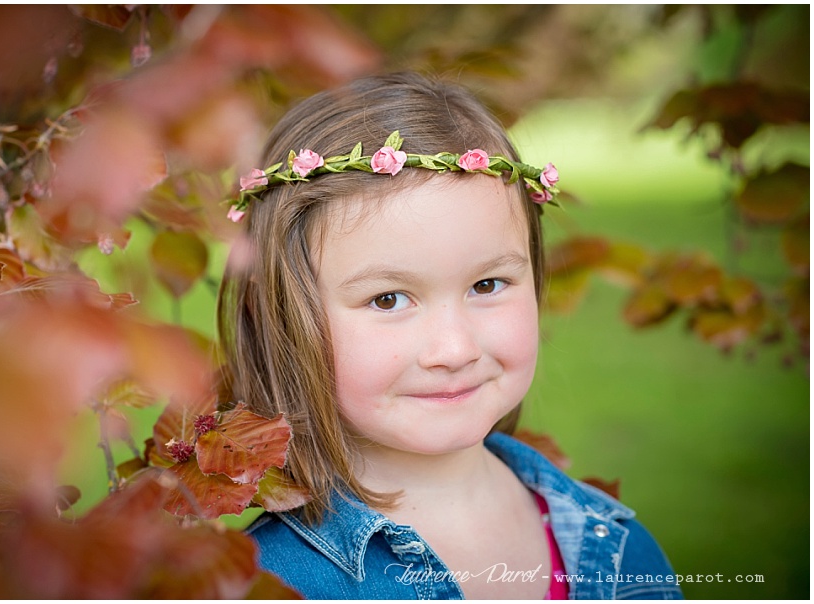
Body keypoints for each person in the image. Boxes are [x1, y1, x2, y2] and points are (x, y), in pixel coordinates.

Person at [216, 71, 682, 600]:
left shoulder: (619, 551)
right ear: (278, 312)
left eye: (487, 284)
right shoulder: (270, 585)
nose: (456, 349)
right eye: (387, 299)